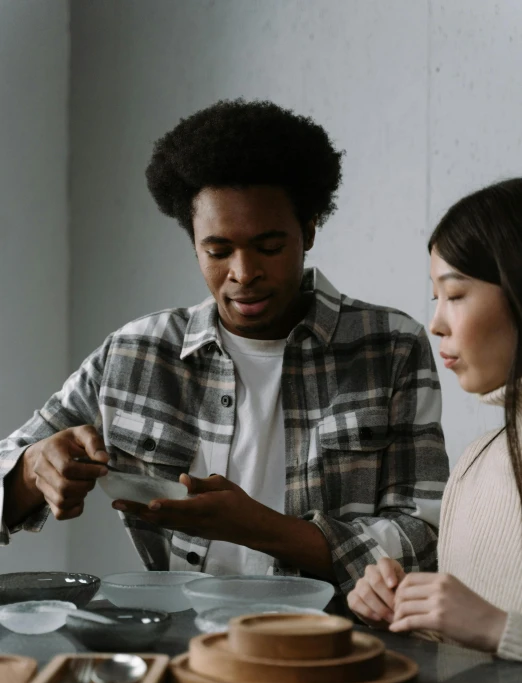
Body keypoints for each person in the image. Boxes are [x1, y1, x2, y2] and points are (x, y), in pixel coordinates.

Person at [0, 99, 448, 592]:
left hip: (334, 648)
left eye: (270, 247)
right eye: (217, 250)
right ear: (192, 240)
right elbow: (17, 462)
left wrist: (260, 528)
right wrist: (30, 472)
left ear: (310, 229)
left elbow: (423, 540)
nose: (243, 273)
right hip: (183, 643)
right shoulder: (136, 356)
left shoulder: (389, 349)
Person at [348, 178, 522, 683]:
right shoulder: (474, 463)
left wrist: (499, 629)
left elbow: (492, 627)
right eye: (434, 297)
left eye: (455, 295)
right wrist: (402, 608)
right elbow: (464, 647)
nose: (435, 325)